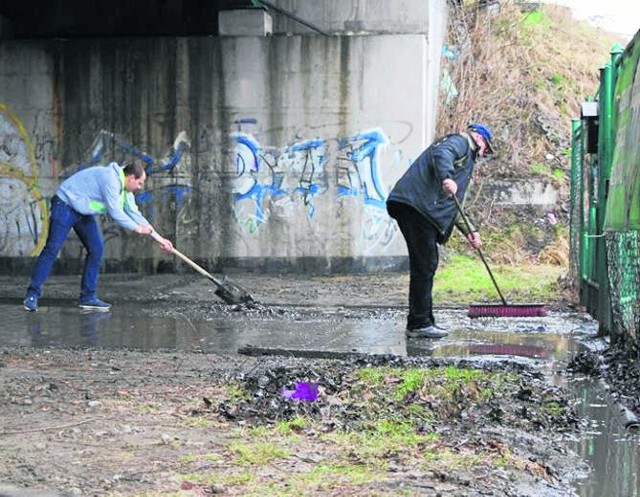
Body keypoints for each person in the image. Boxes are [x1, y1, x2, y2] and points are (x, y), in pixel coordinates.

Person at [386, 123, 495, 338]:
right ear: (480, 139)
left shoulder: (464, 160)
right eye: (486, 149)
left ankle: (423, 320)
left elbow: (452, 205)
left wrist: (470, 231)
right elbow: (442, 152)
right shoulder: (461, 141)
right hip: (416, 207)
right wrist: (447, 176)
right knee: (425, 263)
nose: (483, 154)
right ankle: (419, 324)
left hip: (417, 208)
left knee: (426, 263)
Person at [23, 161, 174, 312]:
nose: (140, 187)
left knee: (96, 249)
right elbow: (116, 212)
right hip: (65, 205)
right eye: (140, 183)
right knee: (52, 249)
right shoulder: (111, 180)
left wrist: (160, 240)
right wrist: (137, 229)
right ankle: (32, 295)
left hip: (82, 210)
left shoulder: (125, 190)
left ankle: (88, 298)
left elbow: (134, 213)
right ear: (131, 178)